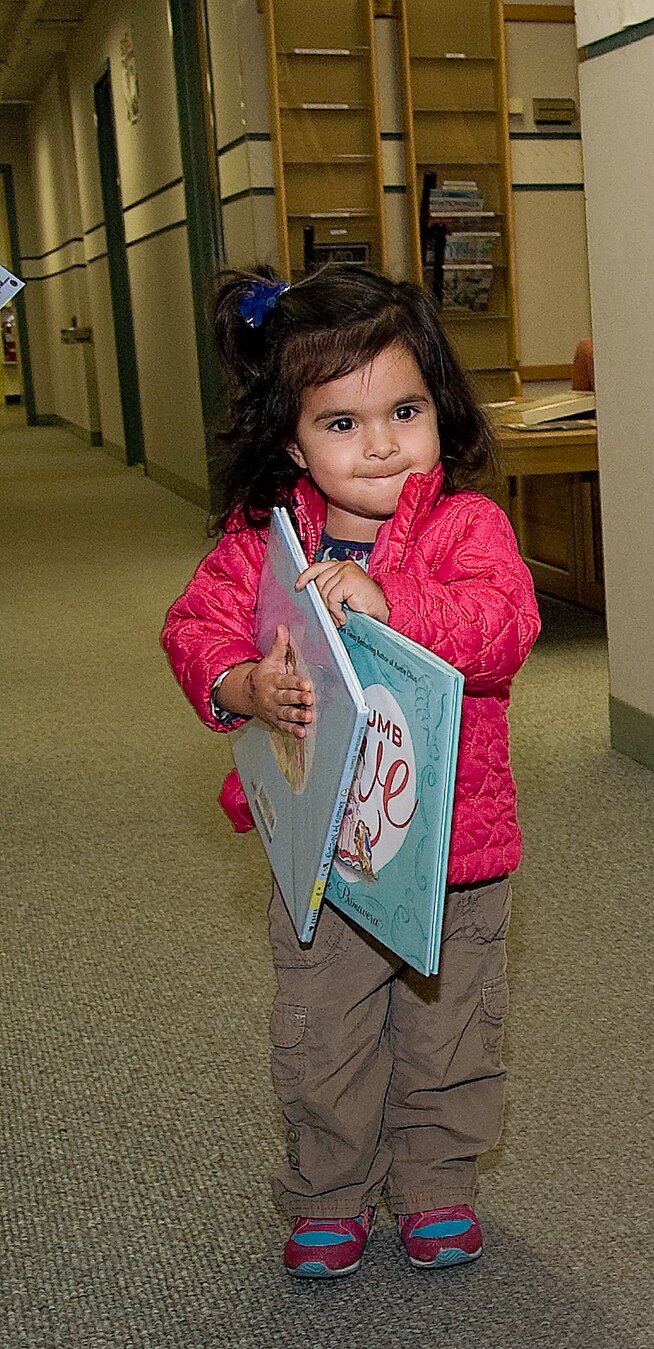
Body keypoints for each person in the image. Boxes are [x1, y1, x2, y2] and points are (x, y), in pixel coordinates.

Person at [163, 265, 540, 1279]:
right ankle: (329, 1190)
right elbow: (193, 628)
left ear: (439, 412)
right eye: (341, 423)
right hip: (323, 855)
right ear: (291, 440)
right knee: (322, 1032)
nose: (380, 444)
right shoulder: (263, 547)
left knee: (448, 1027)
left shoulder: (468, 529)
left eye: (404, 410)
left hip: (451, 851)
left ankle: (435, 1185)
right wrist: (240, 683)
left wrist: (391, 601)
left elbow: (502, 631)